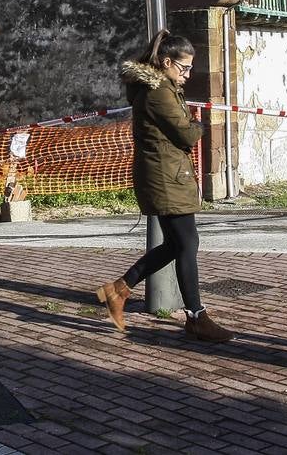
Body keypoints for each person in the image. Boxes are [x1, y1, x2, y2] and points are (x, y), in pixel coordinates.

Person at [96, 29, 233, 343]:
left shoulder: (162, 86)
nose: (188, 74)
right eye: (183, 68)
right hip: (166, 178)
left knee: (179, 244)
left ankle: (117, 291)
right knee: (186, 244)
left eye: (189, 69)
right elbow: (184, 134)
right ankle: (197, 317)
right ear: (167, 62)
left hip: (168, 175)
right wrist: (199, 125)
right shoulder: (159, 90)